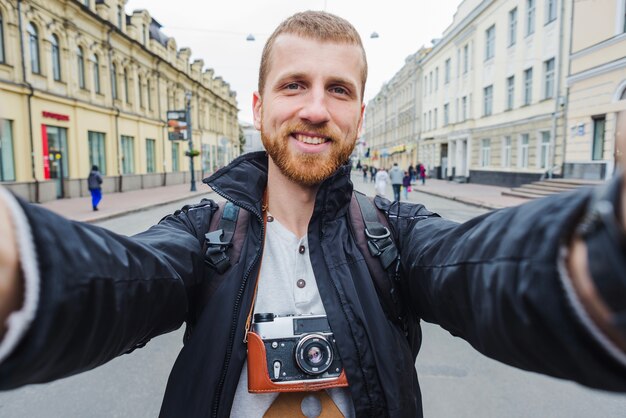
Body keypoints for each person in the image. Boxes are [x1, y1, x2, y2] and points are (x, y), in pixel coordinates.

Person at [0, 11, 625, 418]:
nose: (316, 109)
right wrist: (19, 264)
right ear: (261, 103)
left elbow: (484, 270)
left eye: (340, 90)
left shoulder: (394, 234)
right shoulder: (205, 235)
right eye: (294, 84)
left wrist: (604, 252)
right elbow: (120, 280)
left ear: (359, 113)